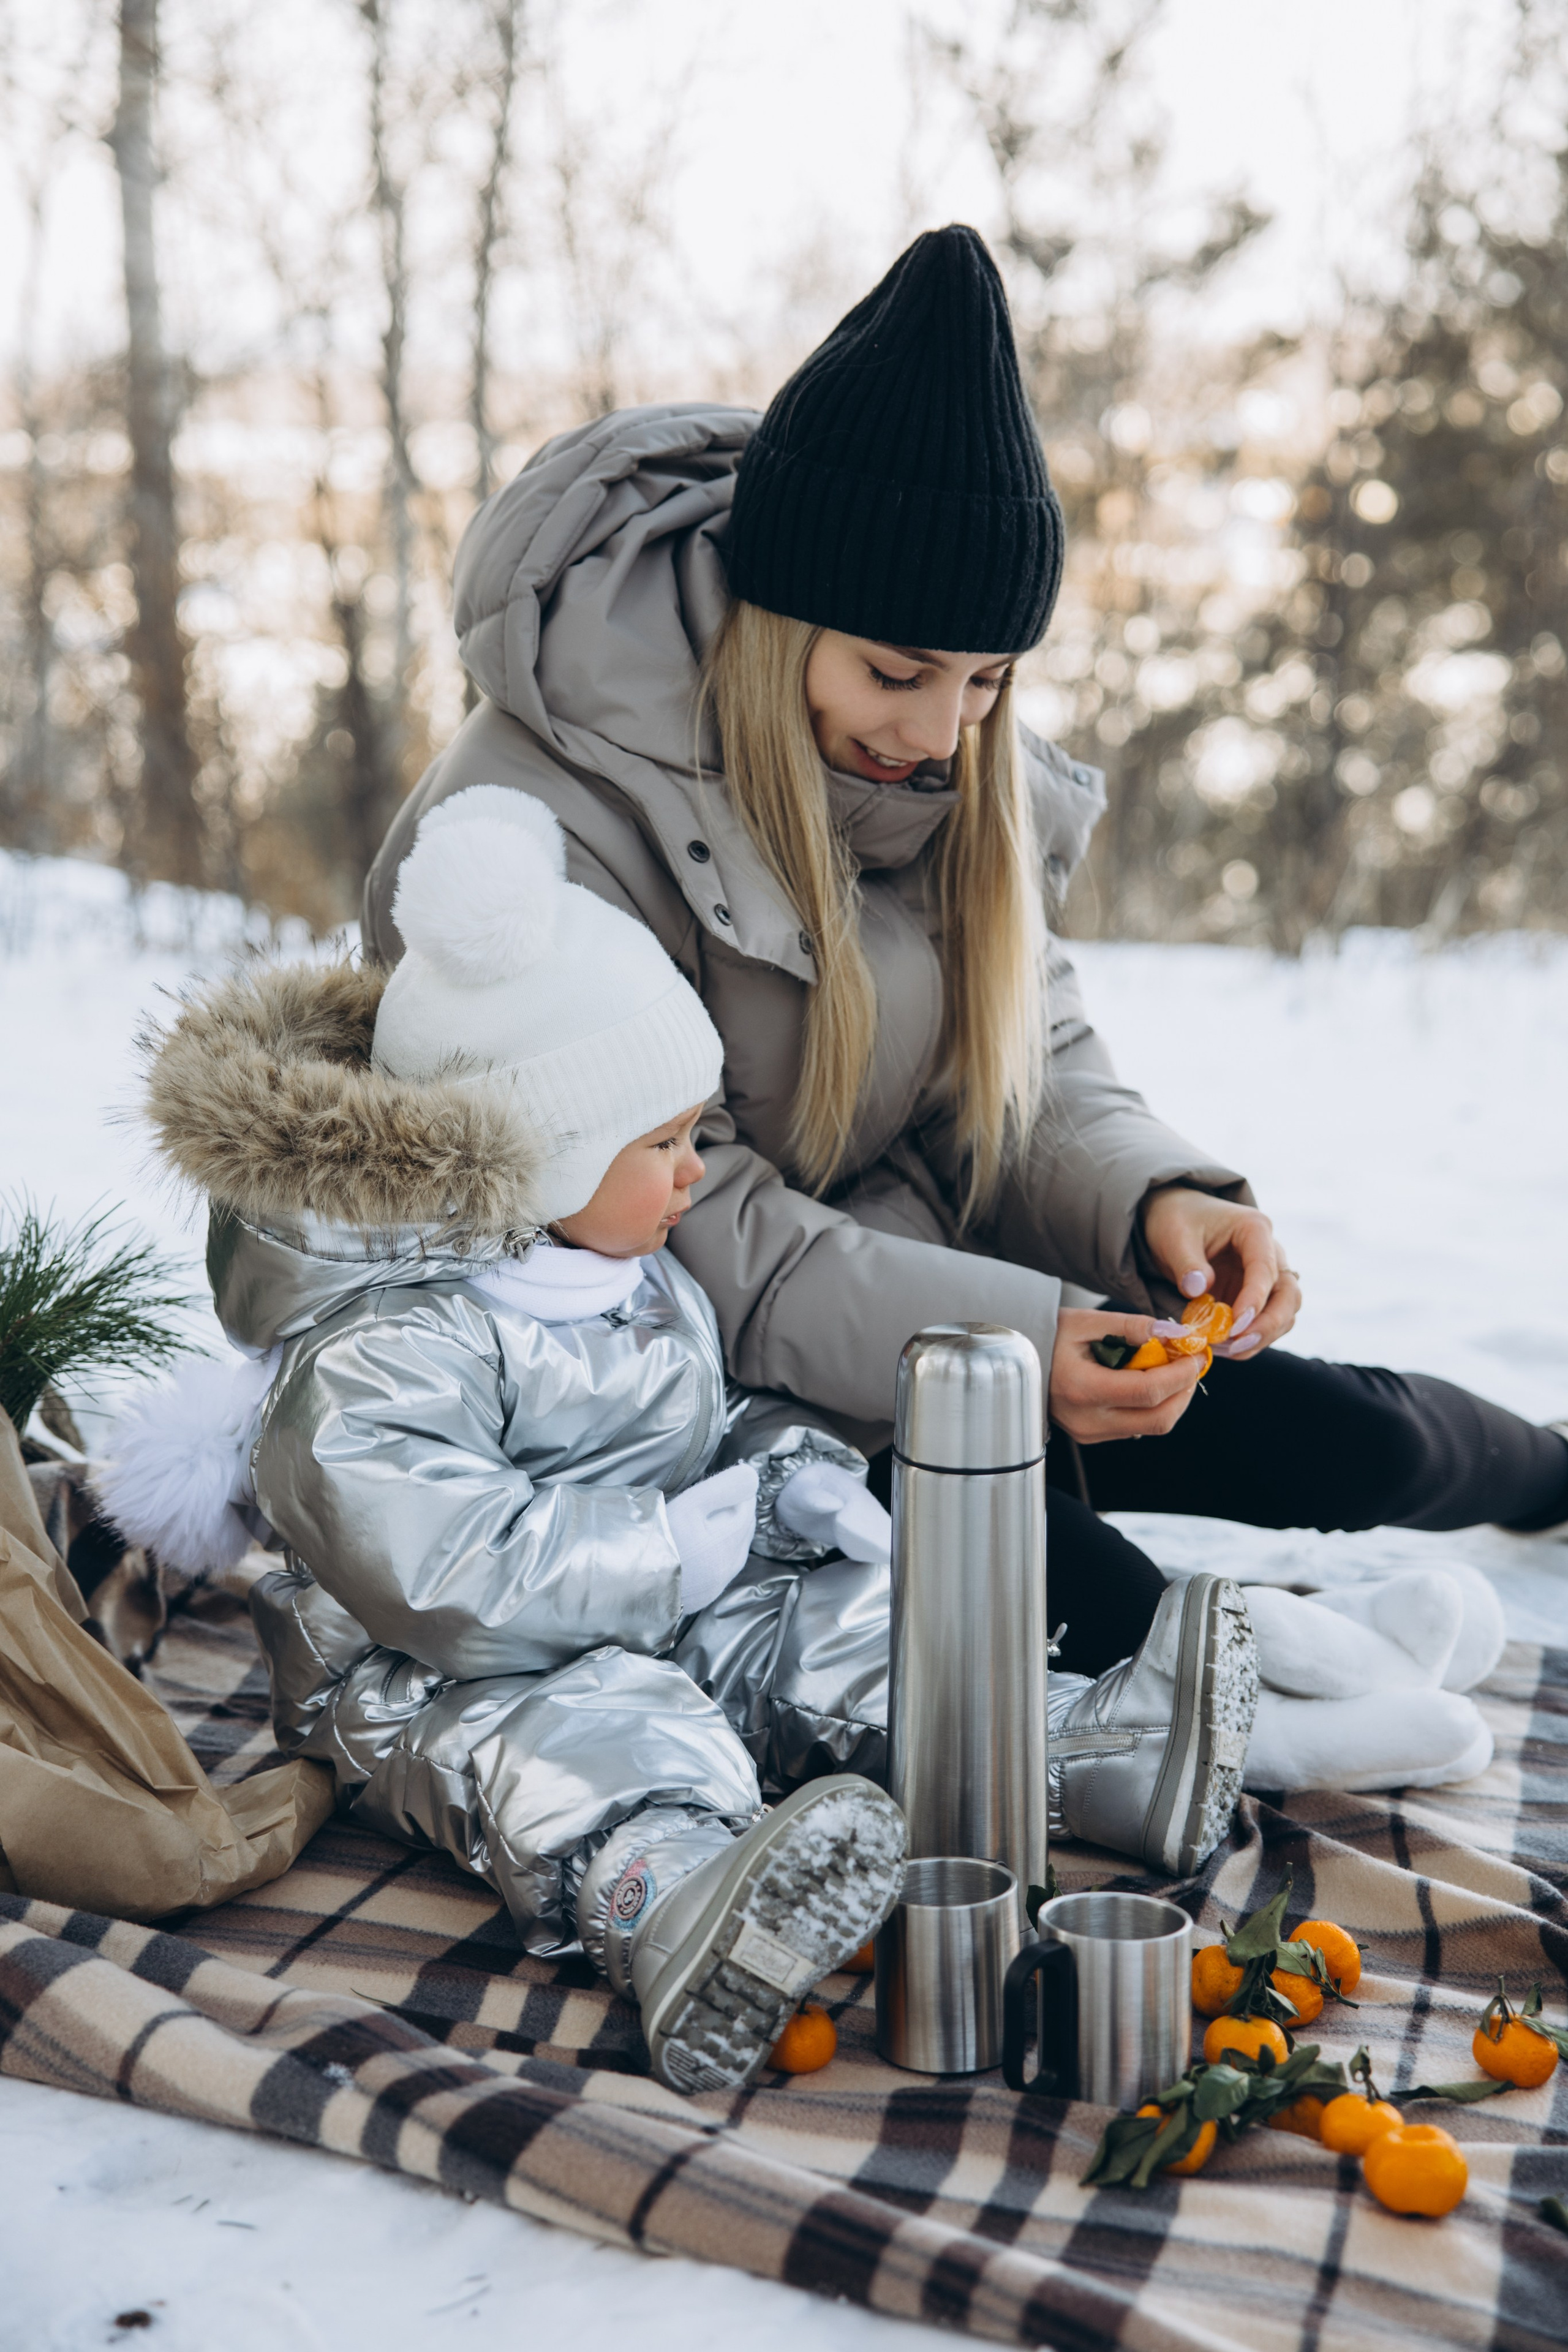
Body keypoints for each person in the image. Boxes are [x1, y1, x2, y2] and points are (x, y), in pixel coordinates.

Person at [360, 224, 1568, 1797]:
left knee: (1352, 1438)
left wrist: (1158, 1195)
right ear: (782, 619)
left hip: (908, 1290)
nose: (941, 738)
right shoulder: (545, 824)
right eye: (899, 676)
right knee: (1053, 1577)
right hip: (668, 1382)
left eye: (989, 684)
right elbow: (689, 1222)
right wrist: (1001, 1346)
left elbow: (1031, 1057)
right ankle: (1245, 1699)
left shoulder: (931, 761)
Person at [123, 785, 1255, 2097]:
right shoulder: (384, 1346)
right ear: (542, 1159)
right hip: (436, 1671)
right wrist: (665, 1549)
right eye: (660, 1142)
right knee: (601, 1728)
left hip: (655, 1596)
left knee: (843, 1620)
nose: (696, 1171)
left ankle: (1075, 1756)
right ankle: (675, 1905)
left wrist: (784, 1488)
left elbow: (702, 1428)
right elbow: (442, 1574)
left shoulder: (631, 1271)